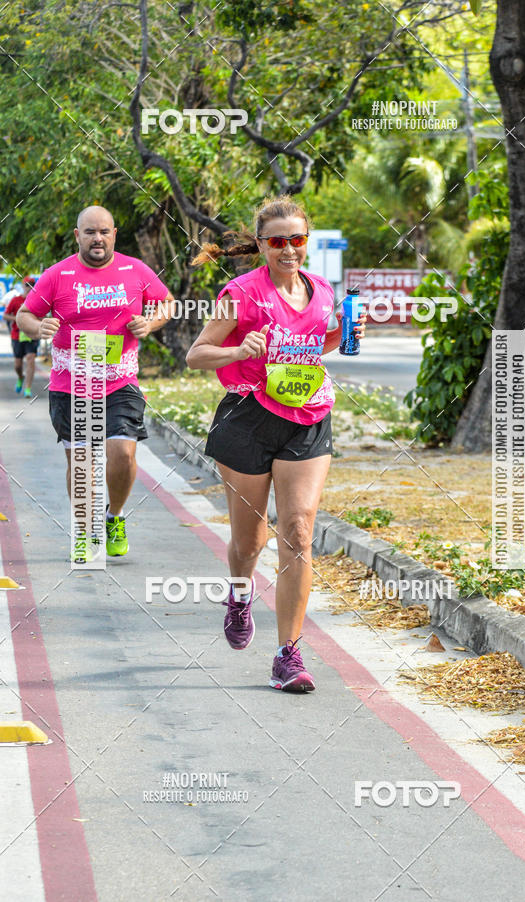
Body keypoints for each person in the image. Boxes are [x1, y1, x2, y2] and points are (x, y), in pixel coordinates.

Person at [186, 196, 366, 692]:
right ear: (262, 244)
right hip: (248, 420)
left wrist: (343, 336)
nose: (289, 250)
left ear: (306, 241)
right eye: (278, 241)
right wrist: (238, 348)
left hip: (307, 419)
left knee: (299, 531)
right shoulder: (239, 293)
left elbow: (311, 343)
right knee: (249, 542)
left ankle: (288, 653)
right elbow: (195, 355)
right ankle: (240, 593)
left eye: (297, 240)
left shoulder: (323, 292)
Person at [17, 205, 174, 559]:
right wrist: (38, 327)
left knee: (123, 452)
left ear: (114, 234)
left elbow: (166, 302)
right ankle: (85, 532)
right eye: (90, 232)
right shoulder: (58, 275)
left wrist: (150, 324)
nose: (97, 238)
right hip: (70, 383)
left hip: (121, 381)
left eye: (104, 231)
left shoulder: (135, 269)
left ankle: (113, 517)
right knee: (83, 462)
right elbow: (27, 314)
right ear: (78, 236)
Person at [4, 276, 38, 397]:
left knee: (30, 359)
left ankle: (27, 388)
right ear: (23, 286)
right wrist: (19, 319)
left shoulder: (37, 300)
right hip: (17, 335)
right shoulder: (16, 300)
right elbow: (5, 315)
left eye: (32, 285)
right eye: (27, 285)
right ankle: (20, 377)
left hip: (32, 335)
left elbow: (43, 316)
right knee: (18, 365)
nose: (29, 288)